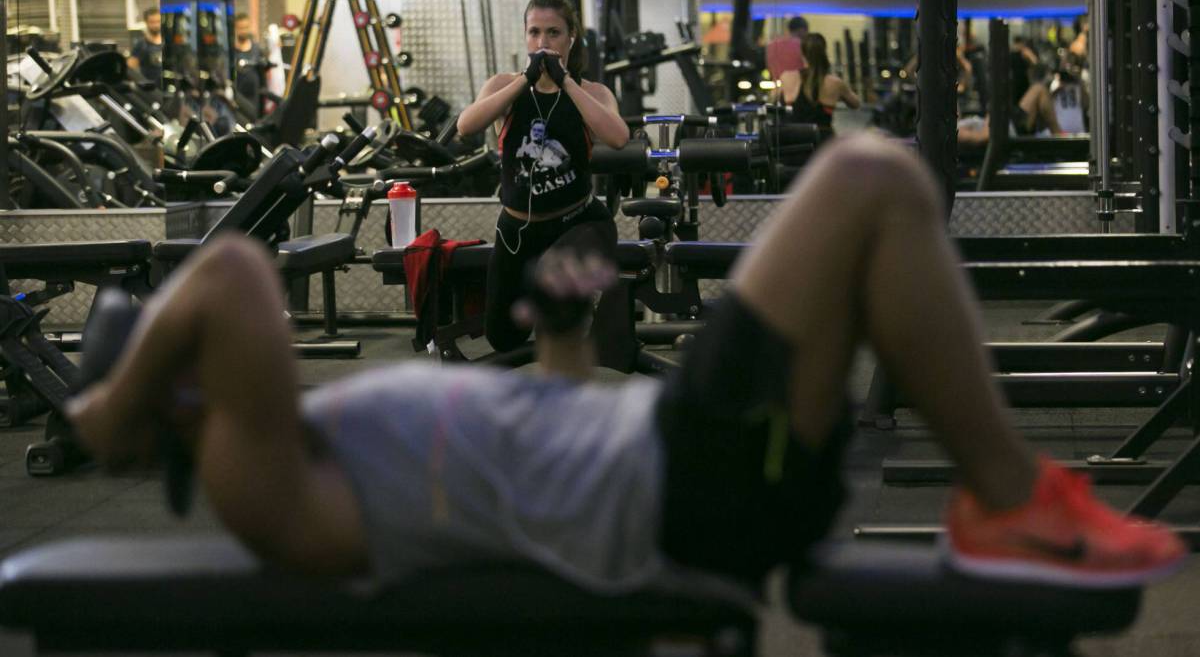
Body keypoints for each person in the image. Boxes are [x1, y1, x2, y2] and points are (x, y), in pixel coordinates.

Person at [68, 132, 1186, 594]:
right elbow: (231, 282)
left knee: (875, 195)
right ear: (175, 390)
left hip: (674, 453)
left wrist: (561, 351)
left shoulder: (287, 446)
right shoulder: (255, 481)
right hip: (687, 481)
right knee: (869, 179)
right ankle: (1009, 503)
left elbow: (497, 461)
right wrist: (112, 402)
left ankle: (1008, 498)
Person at [455, 0, 630, 355]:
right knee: (503, 338)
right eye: (534, 32)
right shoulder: (503, 86)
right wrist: (525, 79)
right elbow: (466, 125)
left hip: (579, 223)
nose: (543, 43)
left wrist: (566, 81)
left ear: (571, 38)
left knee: (553, 278)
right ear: (525, 36)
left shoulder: (592, 91)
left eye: (553, 33)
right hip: (517, 230)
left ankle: (579, 345)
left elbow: (618, 137)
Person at [786, 33, 860, 142]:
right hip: (822, 144)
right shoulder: (835, 83)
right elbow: (856, 104)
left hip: (794, 143)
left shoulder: (787, 77)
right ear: (824, 52)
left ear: (802, 53)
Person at [232, 13, 267, 117]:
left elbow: (263, 80)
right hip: (237, 102)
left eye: (246, 27)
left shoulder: (257, 50)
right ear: (235, 29)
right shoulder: (231, 52)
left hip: (254, 101)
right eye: (241, 28)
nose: (244, 31)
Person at [128, 7, 164, 86]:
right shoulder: (141, 45)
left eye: (158, 21)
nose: (156, 25)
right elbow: (130, 69)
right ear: (146, 22)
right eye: (152, 22)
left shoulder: (167, 43)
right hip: (151, 91)